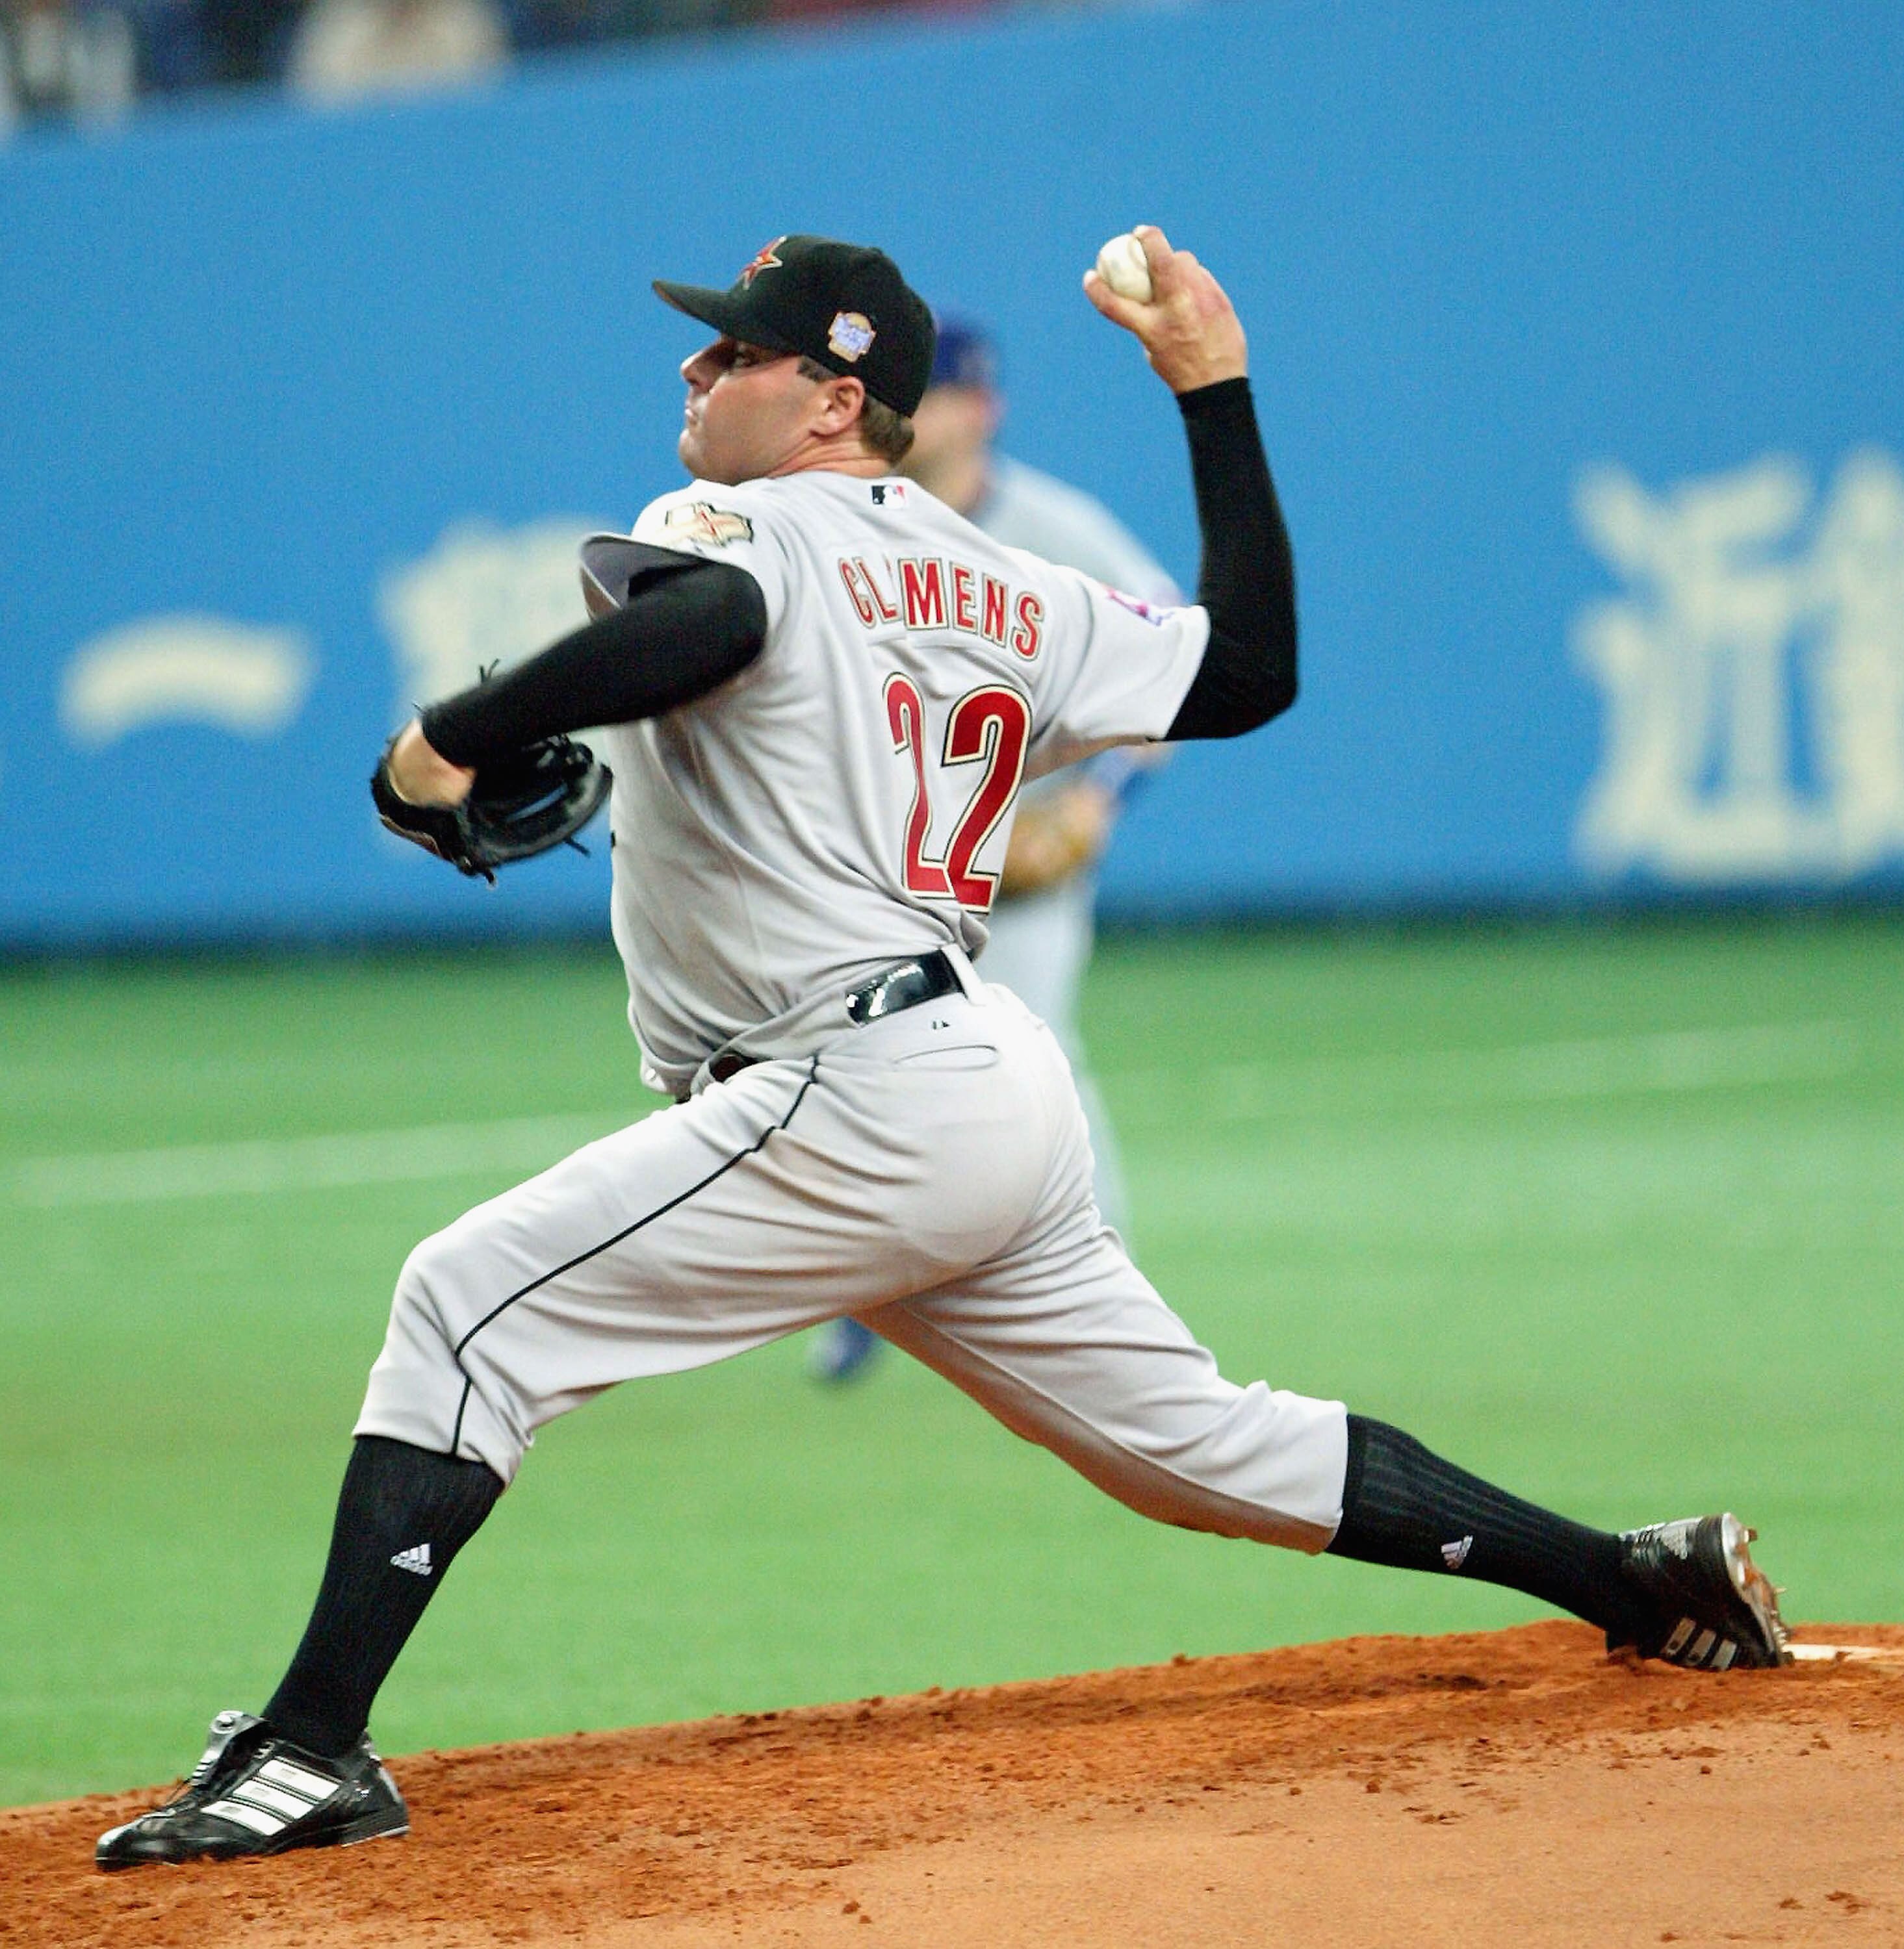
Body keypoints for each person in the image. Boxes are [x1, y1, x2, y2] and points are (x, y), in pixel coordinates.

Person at [96, 227, 1790, 1872]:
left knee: (466, 1306)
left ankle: (311, 1747)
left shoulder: (739, 520)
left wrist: (448, 741)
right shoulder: (1000, 580)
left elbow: (714, 630)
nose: (697, 365)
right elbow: (1251, 670)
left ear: (833, 400)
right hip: (974, 1078)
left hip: (855, 1095)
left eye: (737, 347)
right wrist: (1214, 390)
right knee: (1194, 1447)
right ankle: (1637, 1578)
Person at [808, 314, 1174, 1382]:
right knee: (861, 1070)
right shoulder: (845, 525)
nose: (922, 414)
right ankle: (865, 1293)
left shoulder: (1058, 529)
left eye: (941, 394)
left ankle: (1112, 1297)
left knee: (1038, 1060)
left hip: (1016, 864)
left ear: (982, 408)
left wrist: (1102, 798)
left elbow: (1170, 668)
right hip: (877, 860)